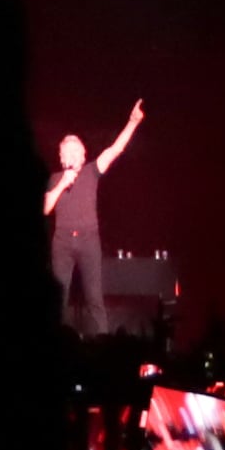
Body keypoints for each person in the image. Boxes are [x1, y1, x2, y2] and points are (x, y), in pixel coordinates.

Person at [41, 97, 146, 337]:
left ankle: (101, 346)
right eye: (66, 151)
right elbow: (45, 209)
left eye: (75, 150)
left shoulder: (92, 171)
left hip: (89, 240)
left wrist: (132, 122)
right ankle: (54, 347)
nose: (71, 153)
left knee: (94, 299)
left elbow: (115, 149)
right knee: (59, 299)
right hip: (62, 243)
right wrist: (61, 185)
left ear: (81, 154)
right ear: (62, 156)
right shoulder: (55, 178)